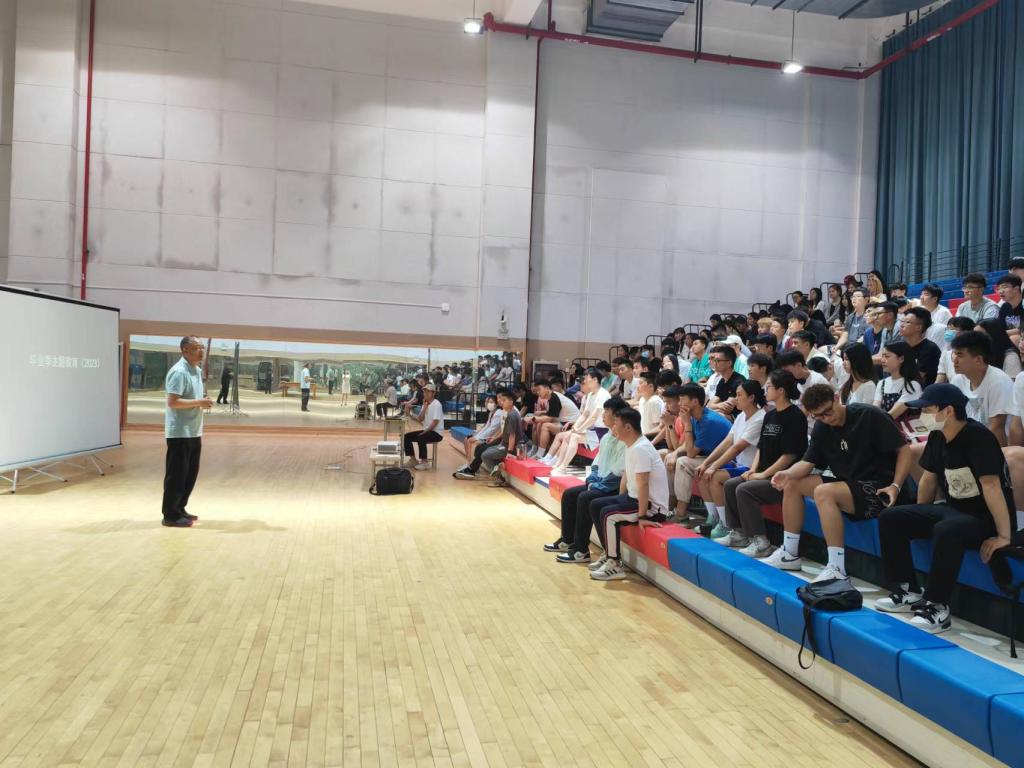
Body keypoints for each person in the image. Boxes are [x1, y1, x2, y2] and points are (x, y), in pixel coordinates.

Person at [877, 384, 1015, 633]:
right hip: (954, 511)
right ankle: (908, 589)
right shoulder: (938, 436)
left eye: (927, 409)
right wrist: (919, 516)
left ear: (948, 410)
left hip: (984, 518)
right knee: (891, 517)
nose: (922, 415)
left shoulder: (979, 437)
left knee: (947, 529)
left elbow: (992, 486)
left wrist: (1004, 535)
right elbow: (929, 479)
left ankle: (937, 607)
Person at [765, 384, 914, 582]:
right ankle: (789, 554)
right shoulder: (822, 427)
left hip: (882, 487)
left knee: (824, 492)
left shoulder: (869, 415)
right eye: (819, 416)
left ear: (836, 398)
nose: (827, 418)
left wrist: (896, 485)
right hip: (849, 483)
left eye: (828, 411)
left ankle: (837, 568)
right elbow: (807, 463)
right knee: (793, 484)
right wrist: (786, 473)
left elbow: (904, 450)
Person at [716, 371, 808, 555]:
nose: (765, 390)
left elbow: (789, 456)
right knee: (730, 485)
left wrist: (764, 475)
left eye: (769, 387)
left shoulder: (795, 416)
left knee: (745, 490)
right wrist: (753, 470)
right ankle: (739, 533)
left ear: (781, 390)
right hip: (764, 473)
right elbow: (761, 447)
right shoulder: (769, 415)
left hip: (783, 477)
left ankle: (761, 542)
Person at [587, 407, 671, 581]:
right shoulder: (630, 445)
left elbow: (643, 484)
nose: (613, 427)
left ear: (628, 427)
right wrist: (619, 499)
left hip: (651, 507)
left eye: (616, 424)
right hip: (634, 498)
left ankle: (615, 564)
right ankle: (608, 554)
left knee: (608, 514)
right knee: (596, 504)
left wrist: (642, 516)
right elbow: (626, 477)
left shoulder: (641, 448)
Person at [548, 397, 628, 564]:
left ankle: (581, 550)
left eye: (607, 412)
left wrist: (596, 486)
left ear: (617, 416)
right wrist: (591, 481)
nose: (603, 415)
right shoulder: (606, 437)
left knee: (585, 498)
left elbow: (619, 474)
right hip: (600, 483)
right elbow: (596, 464)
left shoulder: (624, 441)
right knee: (570, 494)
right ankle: (567, 540)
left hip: (614, 487)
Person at [696, 380, 766, 537]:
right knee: (701, 472)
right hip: (738, 465)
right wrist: (706, 463)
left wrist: (714, 467)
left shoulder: (760, 418)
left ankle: (726, 524)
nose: (735, 399)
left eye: (739, 395)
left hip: (750, 467)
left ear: (751, 397)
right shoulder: (741, 416)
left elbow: (737, 447)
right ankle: (713, 517)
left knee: (715, 476)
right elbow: (727, 442)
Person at [162, 336, 213, 528]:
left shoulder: (196, 370)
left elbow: (191, 397)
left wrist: (202, 400)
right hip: (179, 432)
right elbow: (173, 402)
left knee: (189, 474)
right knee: (176, 475)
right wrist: (199, 402)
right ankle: (170, 515)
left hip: (194, 430)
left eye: (202, 347)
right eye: (197, 348)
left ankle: (180, 508)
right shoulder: (179, 372)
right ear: (184, 350)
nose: (201, 351)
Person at [665, 384, 732, 526]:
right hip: (711, 458)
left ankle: (681, 513)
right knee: (670, 457)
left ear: (695, 401)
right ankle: (671, 506)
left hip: (728, 462)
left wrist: (687, 424)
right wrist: (675, 453)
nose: (679, 403)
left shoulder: (708, 421)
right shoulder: (696, 416)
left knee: (683, 462)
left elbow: (690, 452)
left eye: (682, 399)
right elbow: (685, 445)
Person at [949, 331, 1014, 446]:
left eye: (960, 355)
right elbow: (953, 419)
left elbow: (997, 429)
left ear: (978, 359)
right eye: (954, 354)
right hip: (966, 442)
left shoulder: (999, 382)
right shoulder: (958, 380)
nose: (954, 360)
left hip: (990, 446)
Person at [538, 368, 610, 473]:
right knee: (568, 436)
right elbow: (585, 415)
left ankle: (562, 467)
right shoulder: (590, 395)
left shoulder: (603, 394)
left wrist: (579, 429)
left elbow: (594, 417)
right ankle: (558, 464)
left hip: (603, 432)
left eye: (586, 378)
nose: (584, 381)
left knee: (574, 437)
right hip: (592, 430)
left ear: (595, 380)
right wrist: (575, 428)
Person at [455, 389, 520, 482]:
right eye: (499, 399)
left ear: (511, 401)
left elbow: (512, 435)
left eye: (503, 399)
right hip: (503, 441)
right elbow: (503, 430)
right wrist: (493, 438)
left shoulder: (511, 414)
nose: (500, 401)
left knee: (484, 452)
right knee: (481, 448)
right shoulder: (505, 411)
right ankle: (473, 468)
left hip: (509, 445)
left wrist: (509, 452)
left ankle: (474, 470)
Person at [874, 341, 923, 420]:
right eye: (882, 356)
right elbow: (875, 409)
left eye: (887, 356)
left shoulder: (912, 385)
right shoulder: (882, 383)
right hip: (884, 424)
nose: (882, 360)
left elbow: (892, 415)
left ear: (901, 359)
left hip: (903, 427)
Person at [457, 394, 505, 471]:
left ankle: (470, 465)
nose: (488, 404)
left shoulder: (498, 413)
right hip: (486, 436)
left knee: (472, 442)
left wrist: (477, 438)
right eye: (488, 402)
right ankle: (469, 463)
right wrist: (476, 435)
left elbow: (492, 430)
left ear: (496, 404)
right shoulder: (491, 413)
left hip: (492, 437)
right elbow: (486, 427)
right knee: (466, 439)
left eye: (491, 402)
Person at [403, 382, 445, 471]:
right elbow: (420, 419)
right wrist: (409, 414)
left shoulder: (437, 404)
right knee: (406, 437)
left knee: (421, 437)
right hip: (428, 431)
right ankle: (413, 460)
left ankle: (425, 462)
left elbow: (435, 422)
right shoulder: (425, 404)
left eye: (428, 391)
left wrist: (425, 432)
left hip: (437, 433)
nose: (425, 393)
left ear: (433, 393)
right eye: (424, 391)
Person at [900, 307, 941, 386]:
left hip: (923, 390)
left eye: (907, 322)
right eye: (902, 321)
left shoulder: (930, 349)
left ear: (918, 327)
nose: (901, 325)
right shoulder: (901, 346)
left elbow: (916, 378)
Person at [996, 274, 1024, 343]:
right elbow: (1000, 328)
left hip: (1020, 339)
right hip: (1009, 340)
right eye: (998, 289)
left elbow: (1022, 329)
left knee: (1014, 338)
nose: (1000, 291)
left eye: (1004, 287)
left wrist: (1001, 334)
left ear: (1016, 289)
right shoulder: (1004, 307)